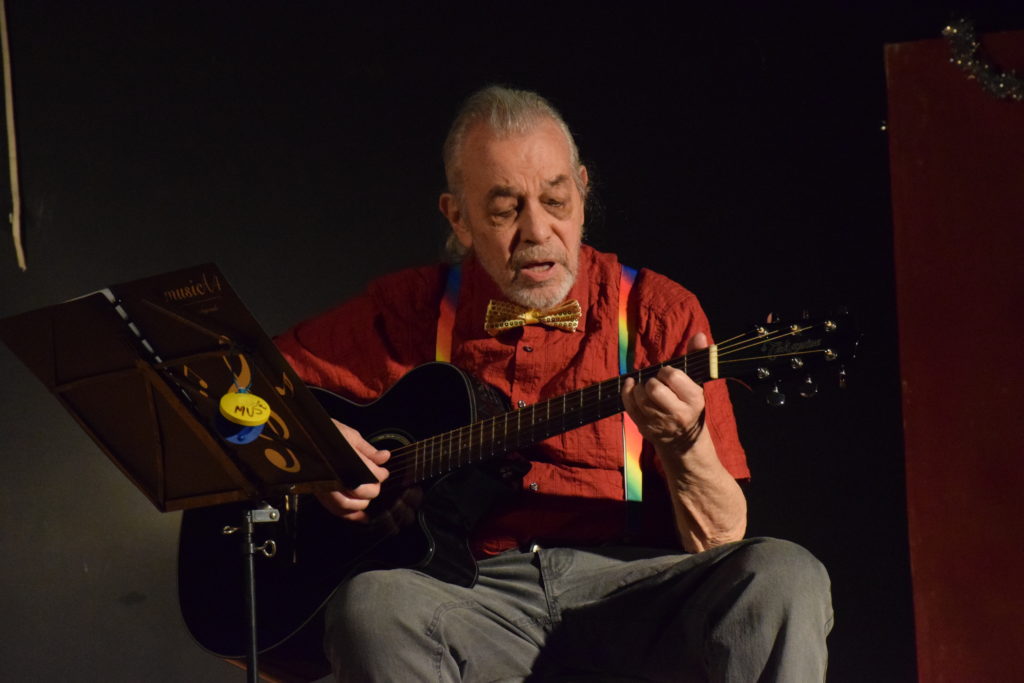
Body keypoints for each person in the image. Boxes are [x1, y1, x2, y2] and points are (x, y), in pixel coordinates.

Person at [275, 85, 833, 682]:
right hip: (470, 597)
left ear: (583, 193)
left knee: (785, 574)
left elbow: (720, 538)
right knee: (372, 604)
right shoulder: (408, 310)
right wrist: (318, 443)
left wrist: (685, 441)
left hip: (636, 595)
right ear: (458, 217)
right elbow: (240, 383)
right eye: (504, 210)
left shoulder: (660, 312)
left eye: (555, 201)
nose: (537, 231)